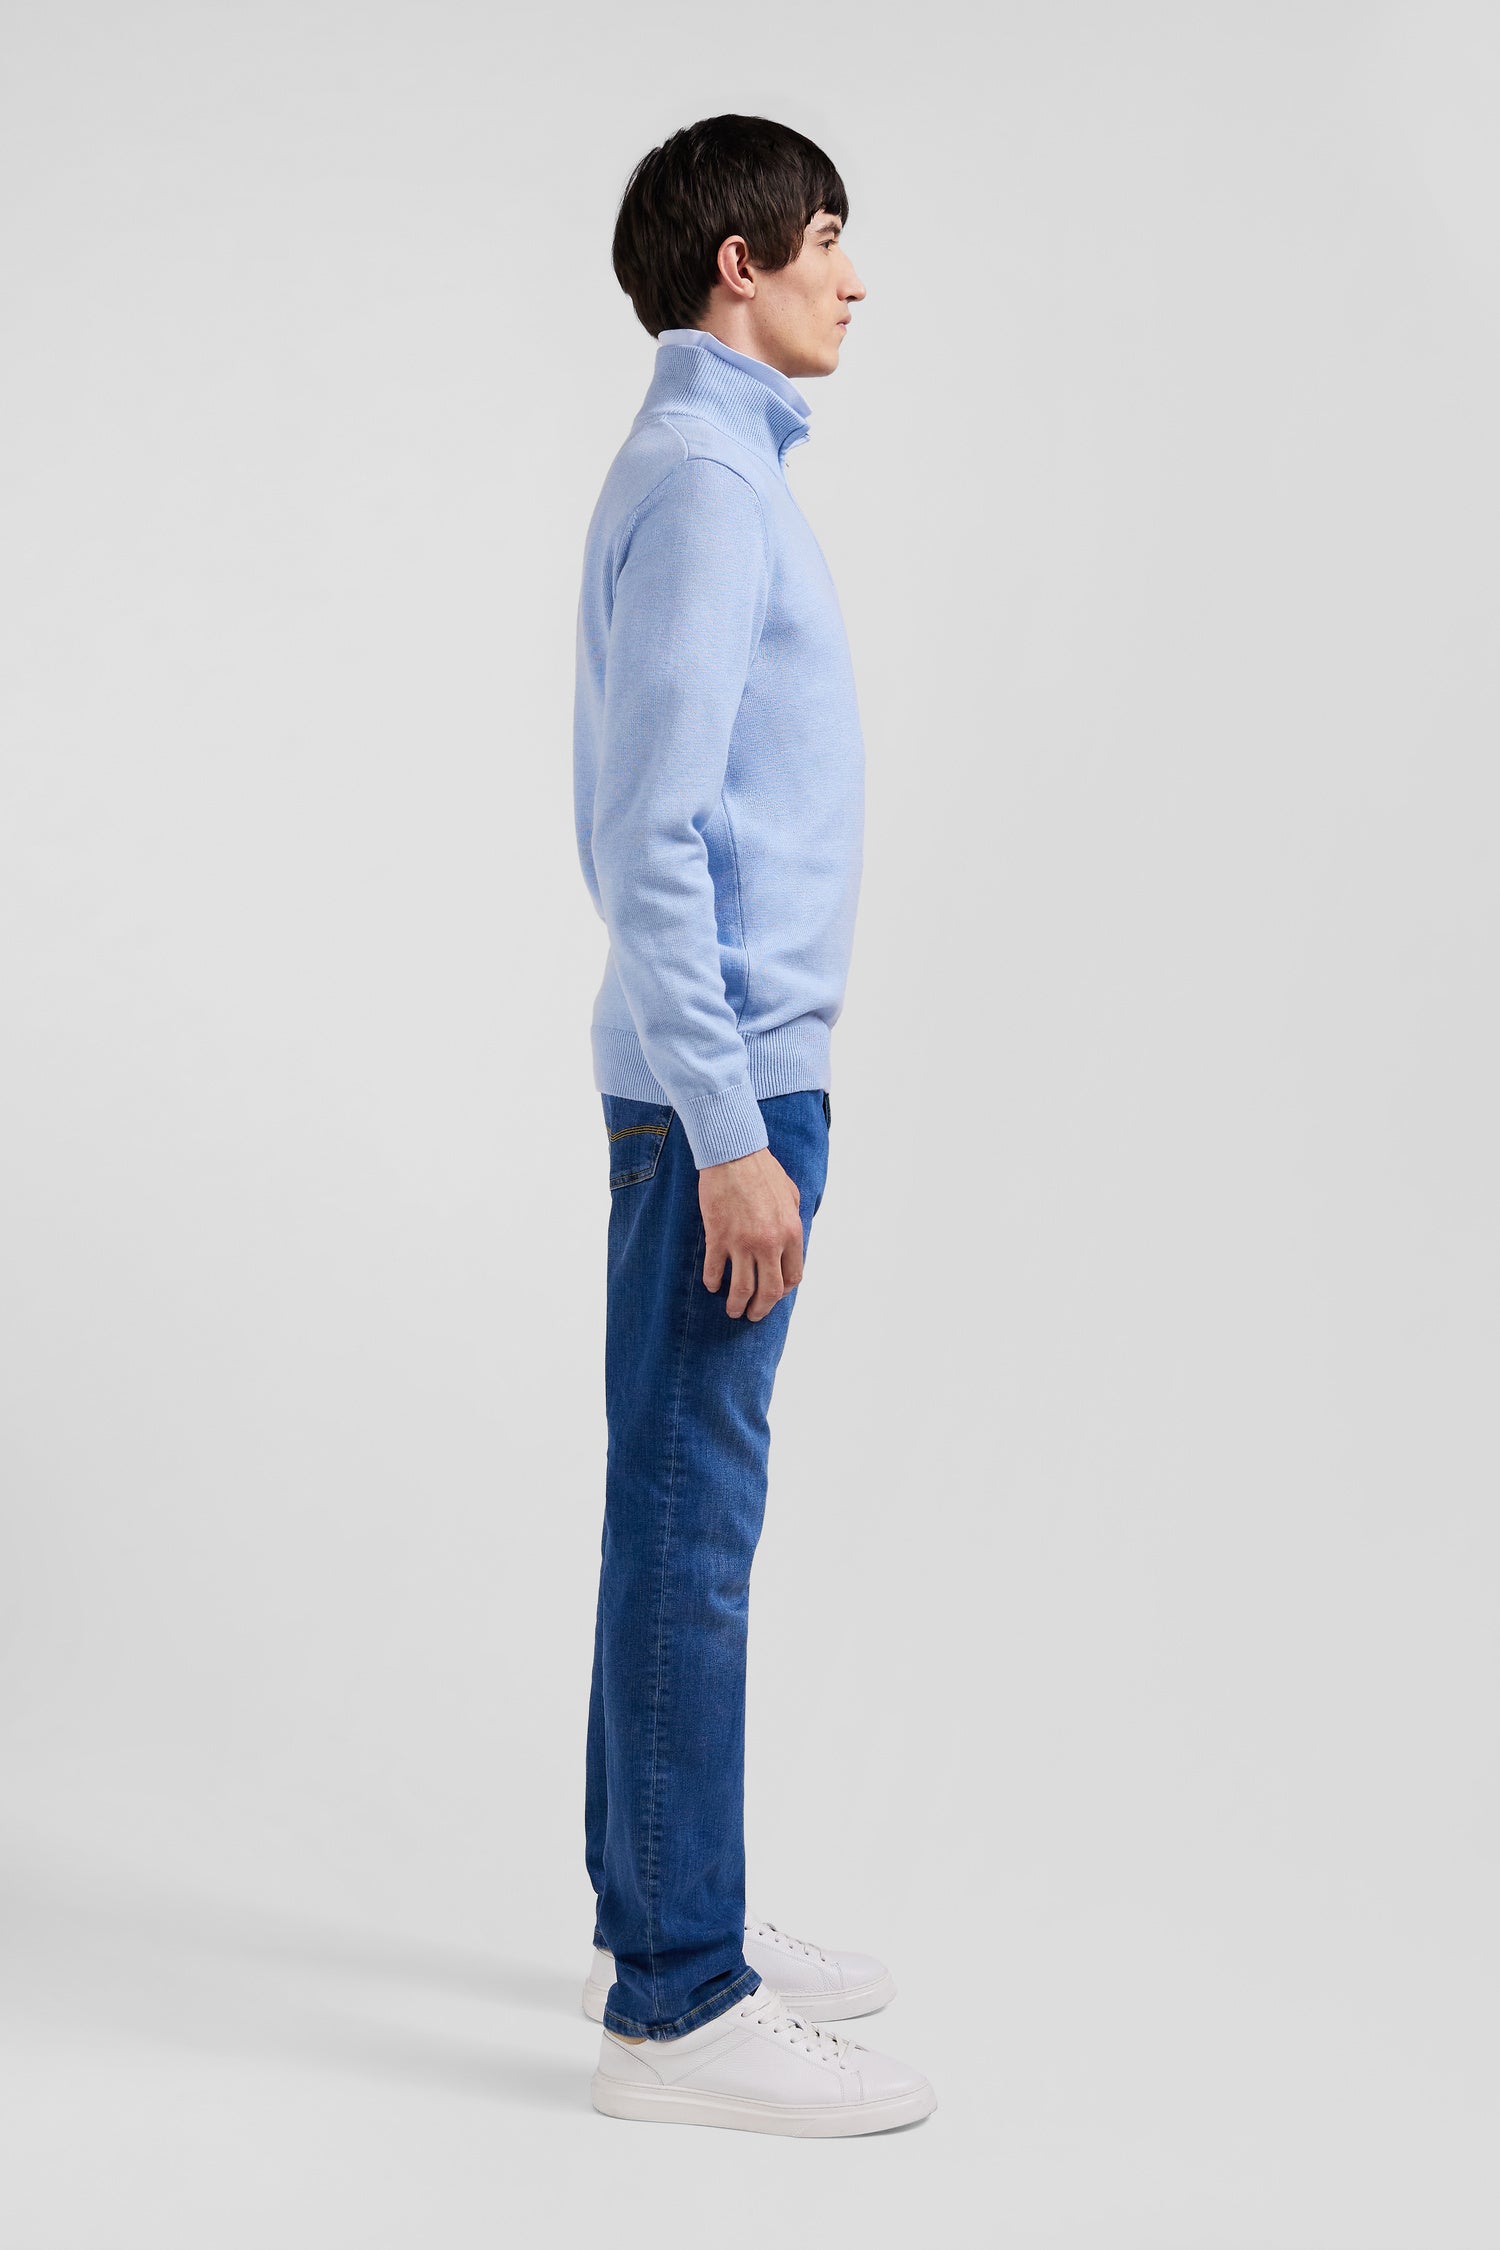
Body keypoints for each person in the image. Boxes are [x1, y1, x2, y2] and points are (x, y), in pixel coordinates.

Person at [571, 113, 936, 2137]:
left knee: (682, 1507)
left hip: (722, 1073)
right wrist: (731, 1128)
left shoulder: (713, 465)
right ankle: (677, 2003)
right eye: (828, 241)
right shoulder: (711, 482)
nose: (854, 279)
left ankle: (669, 1903)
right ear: (742, 261)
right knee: (693, 1528)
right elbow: (654, 838)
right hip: (723, 1088)